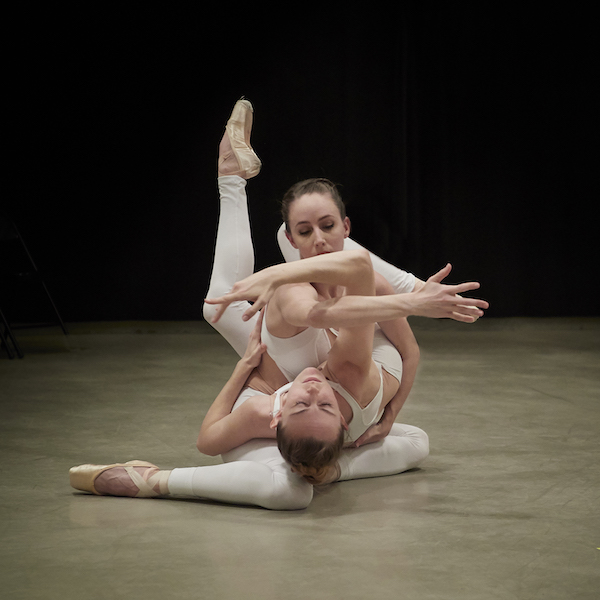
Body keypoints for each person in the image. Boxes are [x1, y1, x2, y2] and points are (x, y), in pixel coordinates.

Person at [69, 99, 486, 509]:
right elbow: (337, 295)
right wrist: (411, 297)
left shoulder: (274, 403)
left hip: (302, 365)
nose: (308, 390)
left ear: (278, 420)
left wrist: (244, 370)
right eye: (303, 233)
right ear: (339, 423)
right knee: (255, 307)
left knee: (218, 307)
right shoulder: (341, 352)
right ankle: (317, 467)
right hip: (326, 341)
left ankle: (231, 179)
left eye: (327, 227)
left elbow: (209, 439)